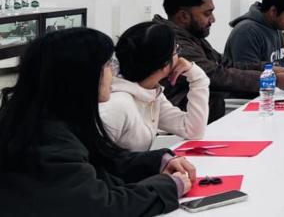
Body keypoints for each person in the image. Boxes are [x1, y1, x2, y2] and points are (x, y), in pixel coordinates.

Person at [0, 28, 194, 215]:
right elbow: (101, 206)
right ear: (83, 75)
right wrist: (168, 187)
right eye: (108, 64)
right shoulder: (47, 140)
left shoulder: (50, 119)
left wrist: (157, 162)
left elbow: (102, 161)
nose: (114, 73)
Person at [156, 0, 284, 122]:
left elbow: (225, 64)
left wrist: (269, 69)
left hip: (208, 109)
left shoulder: (192, 37)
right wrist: (273, 80)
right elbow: (215, 75)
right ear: (184, 16)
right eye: (207, 14)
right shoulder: (173, 43)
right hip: (190, 116)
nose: (213, 19)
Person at [100, 22, 209, 152]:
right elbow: (97, 159)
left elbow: (193, 130)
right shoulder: (117, 104)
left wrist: (197, 77)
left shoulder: (150, 93)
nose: (180, 57)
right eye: (176, 50)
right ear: (164, 63)